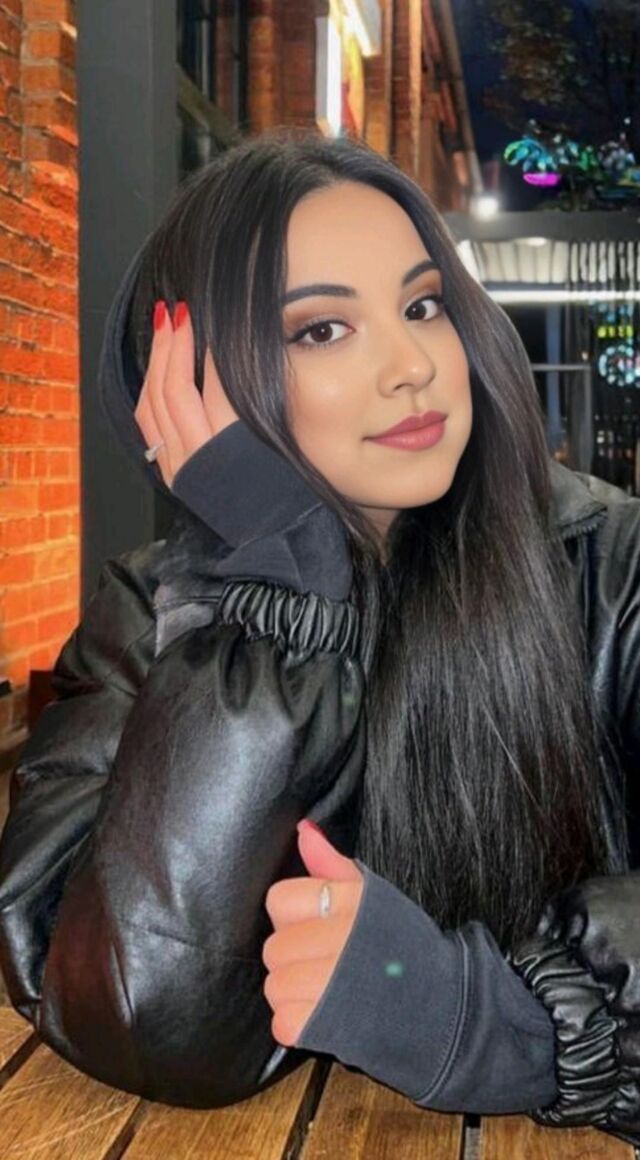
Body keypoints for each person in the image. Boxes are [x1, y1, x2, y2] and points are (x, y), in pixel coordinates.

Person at [0, 127, 639, 1145]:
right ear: (193, 380)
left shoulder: (612, 564)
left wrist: (490, 1022)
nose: (412, 366)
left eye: (422, 306)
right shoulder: (154, 609)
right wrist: (274, 591)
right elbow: (130, 1005)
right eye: (321, 330)